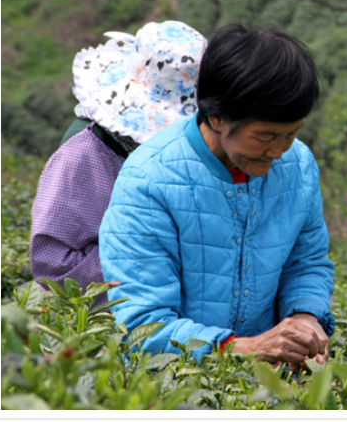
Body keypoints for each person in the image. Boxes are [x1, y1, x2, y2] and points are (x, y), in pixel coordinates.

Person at [99, 24, 334, 370]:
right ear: (217, 117)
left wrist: (306, 315)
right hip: (179, 388)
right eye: (266, 136)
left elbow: (306, 261)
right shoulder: (149, 181)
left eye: (291, 134)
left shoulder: (298, 166)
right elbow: (141, 325)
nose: (280, 151)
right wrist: (245, 348)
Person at [30, 21, 207, 305]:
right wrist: (150, 268)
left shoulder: (175, 153)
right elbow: (54, 262)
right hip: (100, 326)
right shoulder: (83, 156)